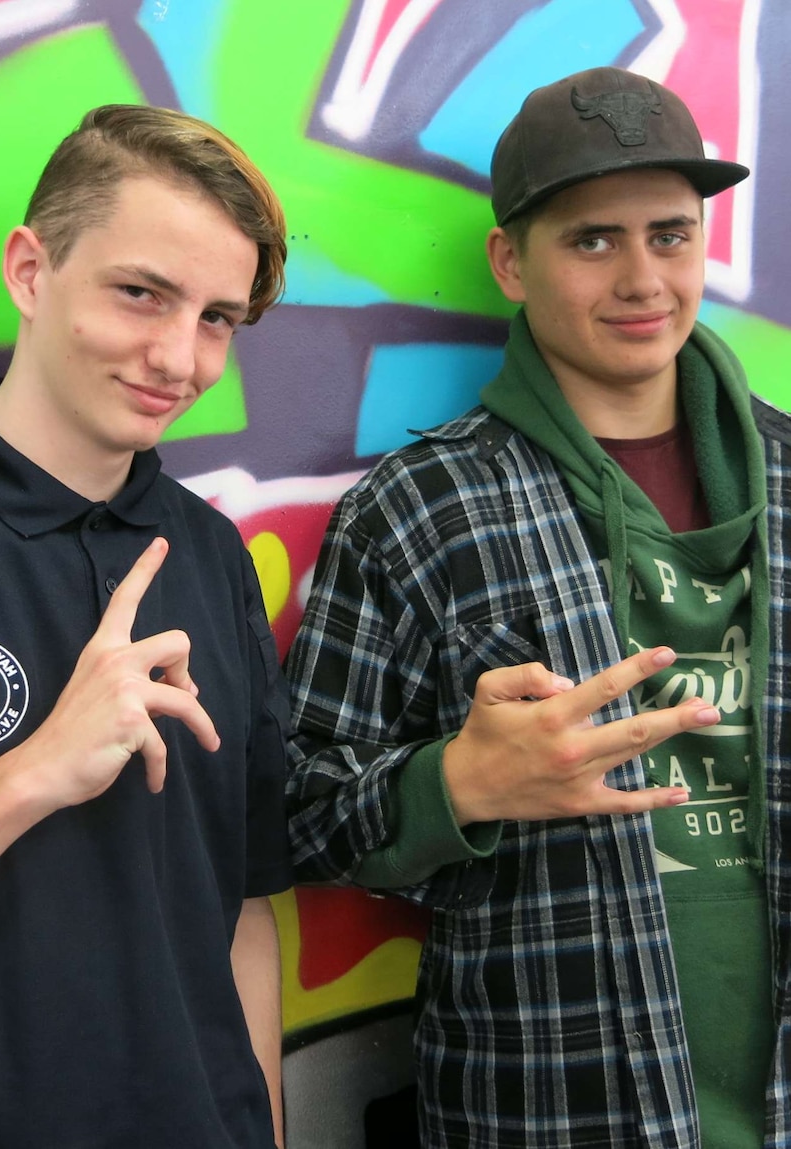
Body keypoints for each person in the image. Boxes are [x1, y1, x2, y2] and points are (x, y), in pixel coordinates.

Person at [285, 66, 790, 1148]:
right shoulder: (416, 510)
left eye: (669, 234)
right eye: (592, 241)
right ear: (510, 262)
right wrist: (457, 783)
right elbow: (296, 806)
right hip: (549, 1107)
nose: (643, 278)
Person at [0, 104, 291, 1148]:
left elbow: (244, 908)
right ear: (31, 273)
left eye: (216, 318)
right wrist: (36, 769)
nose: (178, 359)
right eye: (141, 294)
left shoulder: (213, 560)